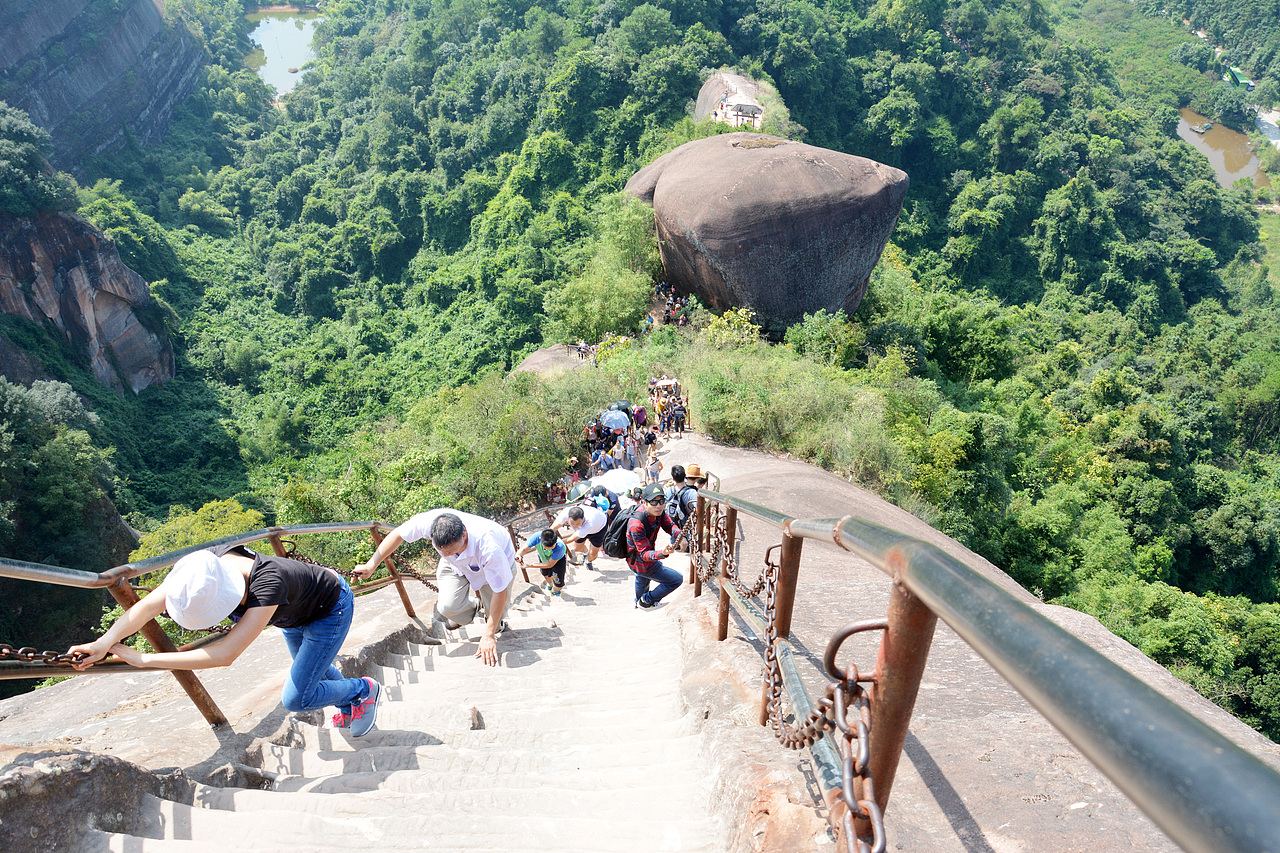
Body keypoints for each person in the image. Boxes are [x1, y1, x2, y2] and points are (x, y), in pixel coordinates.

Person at [68, 546, 382, 736]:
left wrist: (146, 660)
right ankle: (350, 702)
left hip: (330, 609)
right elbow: (148, 606)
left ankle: (363, 690)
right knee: (315, 673)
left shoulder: (268, 584)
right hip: (293, 613)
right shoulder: (202, 571)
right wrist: (104, 641)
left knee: (297, 699)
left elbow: (226, 654)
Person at [357, 509, 514, 667]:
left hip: (494, 564)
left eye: (450, 550)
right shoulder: (431, 523)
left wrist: (488, 635)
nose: (445, 553)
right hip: (455, 564)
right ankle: (473, 606)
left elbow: (500, 591)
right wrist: (371, 564)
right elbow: (398, 534)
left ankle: (497, 625)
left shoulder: (489, 548)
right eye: (442, 550)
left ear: (464, 534)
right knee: (447, 607)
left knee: (496, 615)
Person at [626, 483, 685, 609]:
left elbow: (670, 526)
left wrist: (681, 536)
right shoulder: (637, 524)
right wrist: (662, 553)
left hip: (638, 560)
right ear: (644, 502)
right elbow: (645, 554)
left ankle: (639, 602)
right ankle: (647, 600)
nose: (658, 506)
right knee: (675, 579)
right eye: (653, 502)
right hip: (640, 561)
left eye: (661, 501)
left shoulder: (658, 512)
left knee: (642, 577)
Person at [553, 502, 608, 570]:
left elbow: (572, 538)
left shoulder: (589, 522)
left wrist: (555, 543)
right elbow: (554, 527)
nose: (575, 526)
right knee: (576, 548)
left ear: (583, 519)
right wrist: (545, 535)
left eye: (578, 523)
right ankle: (585, 552)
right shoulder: (565, 512)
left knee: (593, 555)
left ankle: (588, 561)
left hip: (599, 529)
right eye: (572, 523)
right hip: (583, 529)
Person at [517, 528, 568, 596]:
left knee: (558, 582)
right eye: (546, 546)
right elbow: (523, 549)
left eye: (551, 546)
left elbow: (550, 564)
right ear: (540, 539)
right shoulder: (536, 537)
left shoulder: (560, 547)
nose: (548, 548)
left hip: (558, 560)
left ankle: (555, 591)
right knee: (545, 573)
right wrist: (518, 555)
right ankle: (550, 584)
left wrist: (530, 565)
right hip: (543, 557)